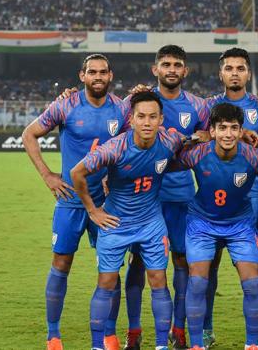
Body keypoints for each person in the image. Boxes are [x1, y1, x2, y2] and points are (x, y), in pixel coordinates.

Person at [22, 54, 130, 350]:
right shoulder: (65, 105)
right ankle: (53, 335)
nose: (98, 76)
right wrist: (47, 176)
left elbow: (133, 142)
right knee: (61, 262)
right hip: (70, 201)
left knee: (110, 268)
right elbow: (29, 134)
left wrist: (115, 176)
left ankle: (109, 334)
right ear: (82, 75)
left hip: (106, 203)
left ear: (111, 75)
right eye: (92, 72)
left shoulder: (122, 109)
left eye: (103, 72)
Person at [70, 91, 185, 350]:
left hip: (151, 223)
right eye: (141, 116)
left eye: (152, 117)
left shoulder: (170, 140)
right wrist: (92, 210)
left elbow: (196, 139)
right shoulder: (115, 147)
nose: (147, 122)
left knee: (158, 280)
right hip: (116, 223)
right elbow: (77, 172)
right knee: (106, 283)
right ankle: (97, 345)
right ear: (131, 119)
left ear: (161, 119)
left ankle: (160, 346)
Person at [120, 45, 210, 350]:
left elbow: (209, 142)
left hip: (181, 196)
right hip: (145, 198)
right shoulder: (138, 102)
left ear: (185, 71)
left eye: (177, 65)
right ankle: (134, 331)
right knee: (139, 264)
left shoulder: (198, 107)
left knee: (181, 261)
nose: (172, 69)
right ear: (155, 69)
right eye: (166, 64)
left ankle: (179, 329)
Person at [176, 103, 258, 350]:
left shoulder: (254, 156)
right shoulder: (197, 153)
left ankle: (252, 343)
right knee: (197, 282)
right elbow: (166, 156)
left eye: (234, 128)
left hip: (240, 224)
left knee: (252, 284)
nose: (228, 134)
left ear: (241, 131)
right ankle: (197, 344)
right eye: (222, 128)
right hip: (202, 223)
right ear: (212, 130)